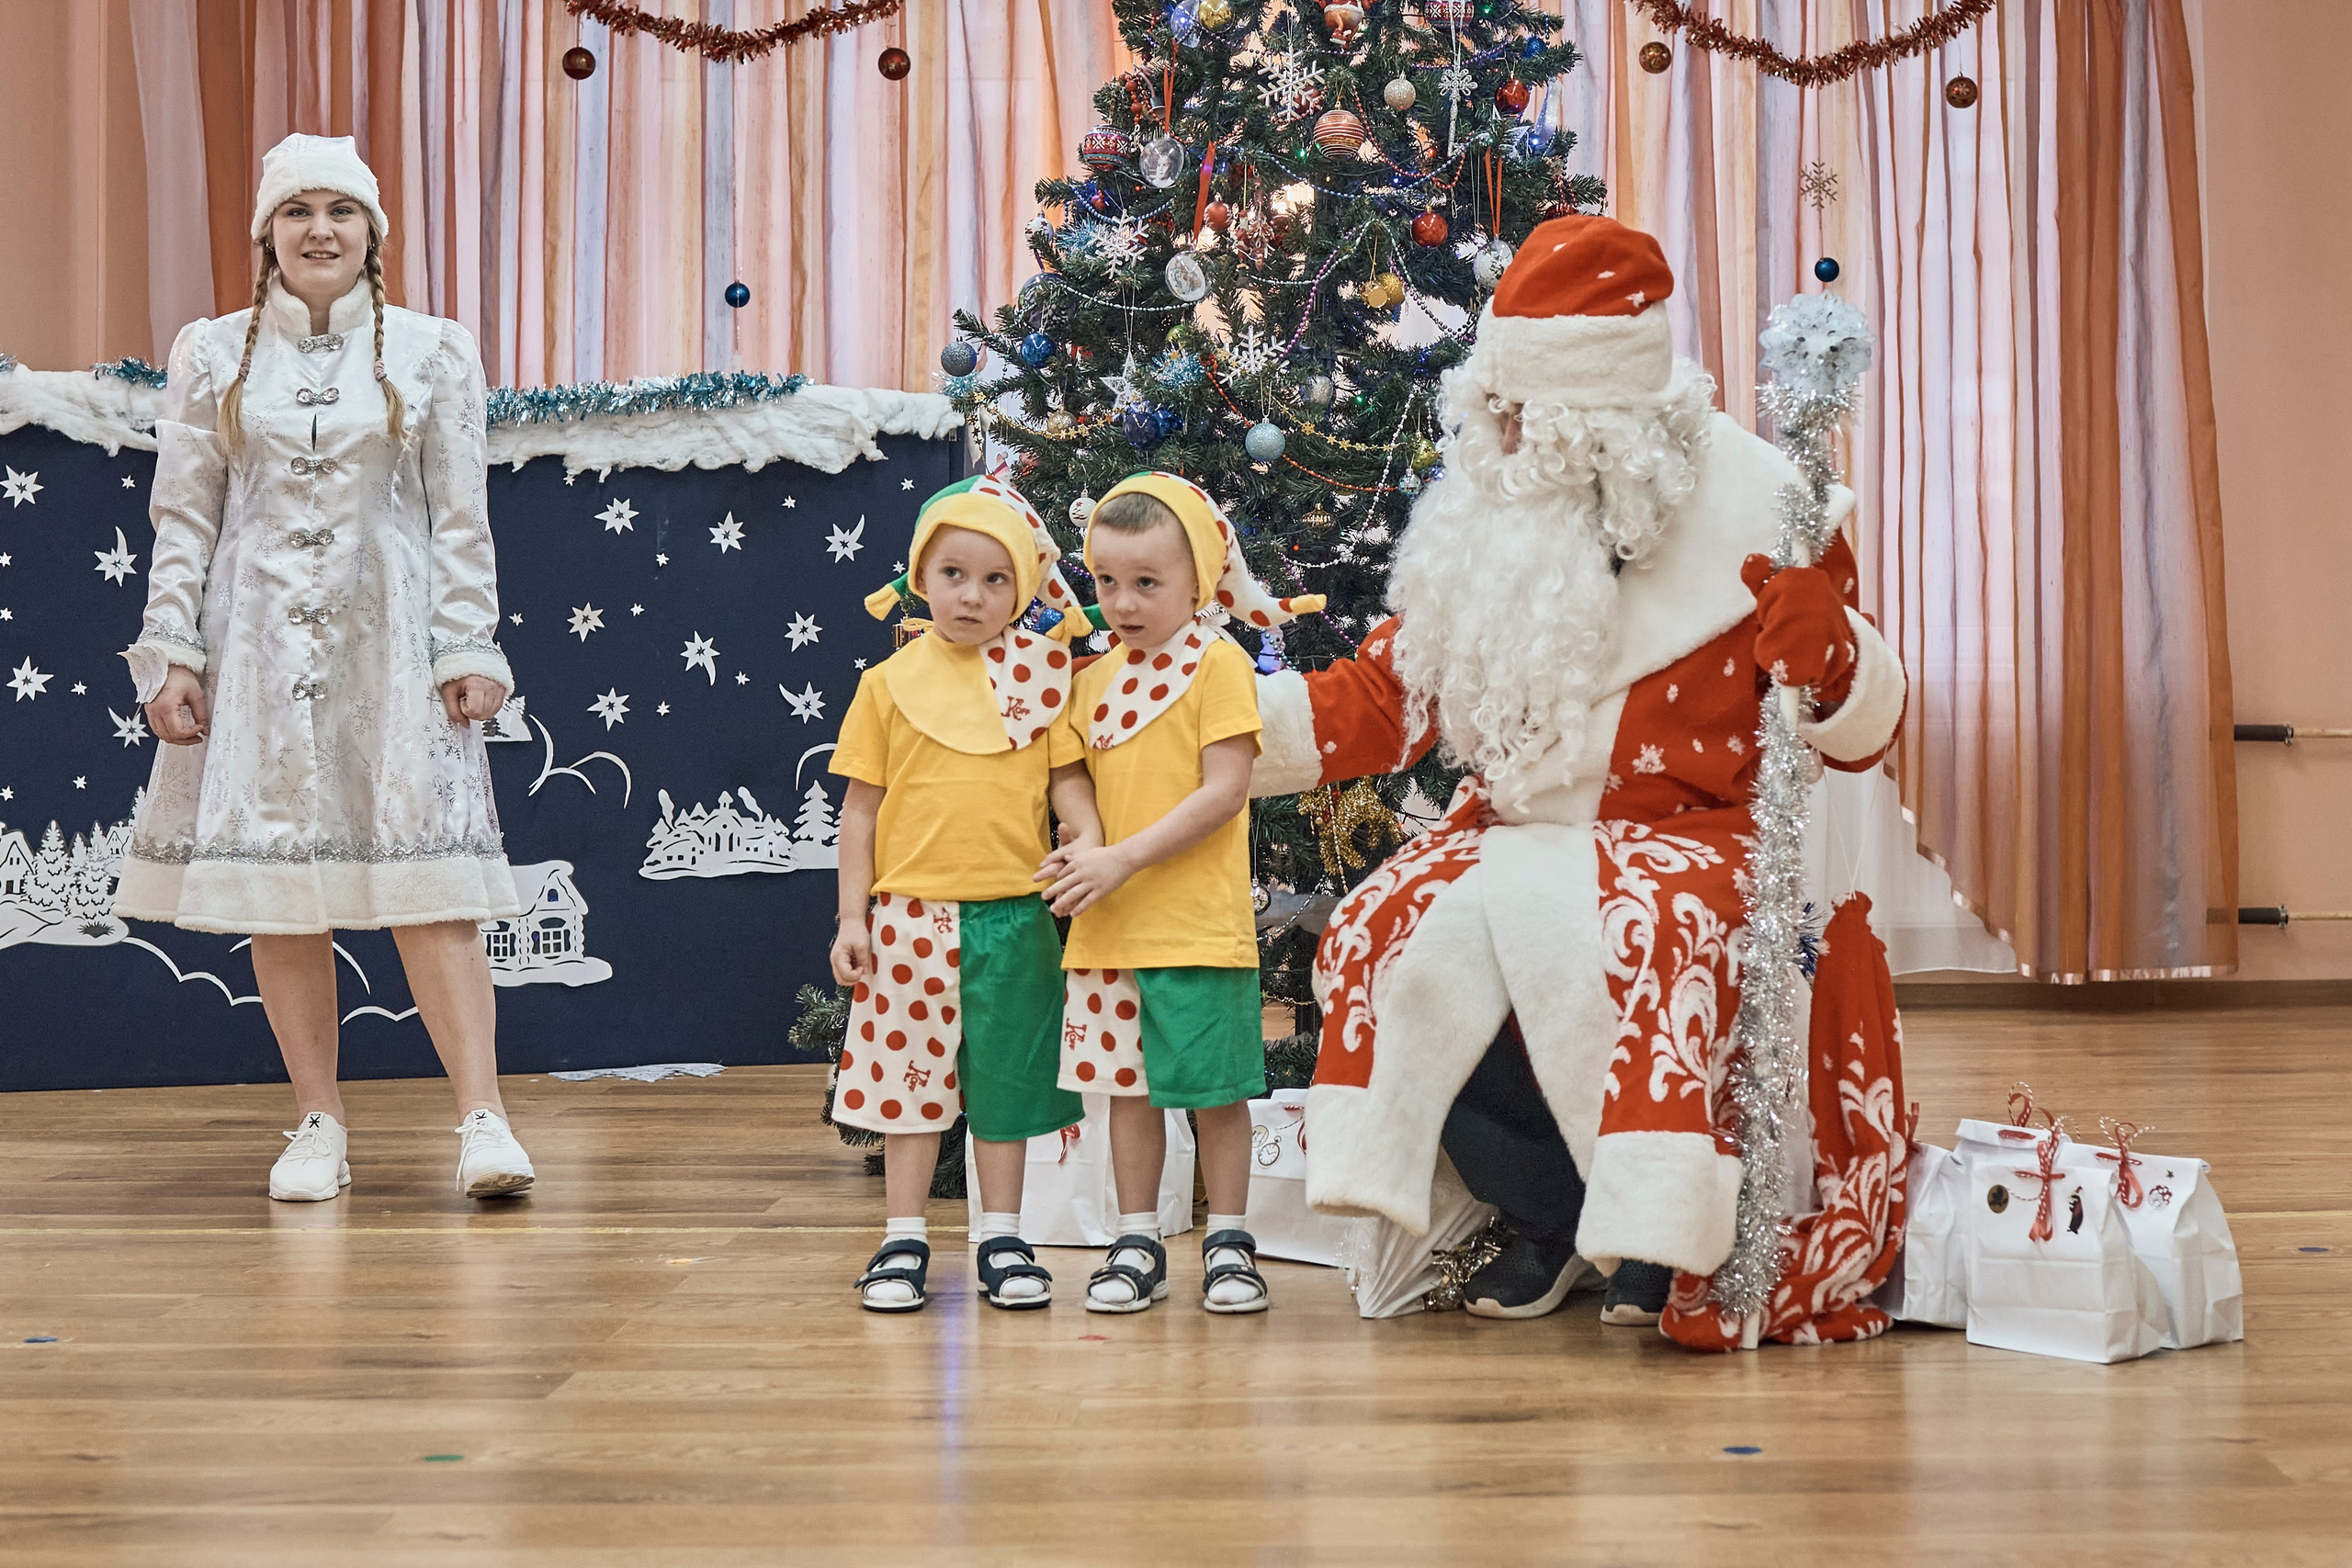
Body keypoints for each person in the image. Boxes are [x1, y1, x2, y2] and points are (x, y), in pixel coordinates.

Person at [1247, 216, 1913, 1348]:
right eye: (1493, 409)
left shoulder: (1768, 508)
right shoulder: (1490, 520)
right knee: (1377, 931)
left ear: (1601, 426)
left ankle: (1658, 1229)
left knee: (1635, 932)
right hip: (1512, 824)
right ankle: (1549, 1215)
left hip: (1695, 831)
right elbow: (1391, 696)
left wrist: (1834, 653)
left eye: (1520, 416)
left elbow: (1853, 738)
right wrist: (1217, 726)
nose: (1496, 433)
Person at [115, 134, 534, 1203]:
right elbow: (185, 512)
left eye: (339, 212)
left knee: (427, 885)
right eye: (296, 212)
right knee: (283, 894)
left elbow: (459, 516)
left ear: (371, 233)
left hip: (389, 644)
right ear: (268, 235)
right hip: (254, 646)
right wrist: (173, 650)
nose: (319, 231)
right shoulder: (214, 352)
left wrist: (467, 642)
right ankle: (317, 1122)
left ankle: (482, 1116)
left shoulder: (432, 350)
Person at [1039, 473, 1323, 1315]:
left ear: (1199, 582)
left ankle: (1230, 1237)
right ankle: (1137, 1237)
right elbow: (1067, 772)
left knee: (1214, 1091)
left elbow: (1223, 791)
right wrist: (1087, 838)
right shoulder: (1088, 682)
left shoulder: (1219, 665)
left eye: (1147, 584)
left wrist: (1120, 858)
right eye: (1106, 582)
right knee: (1125, 1093)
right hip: (1108, 927)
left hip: (1197, 927)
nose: (1122, 603)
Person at [828, 476, 1096, 1312]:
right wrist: (851, 915)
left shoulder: (1045, 679)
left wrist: (1085, 836)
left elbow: (1067, 781)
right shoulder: (886, 685)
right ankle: (903, 1235)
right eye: (953, 573)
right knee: (909, 1089)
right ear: (919, 576)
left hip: (1015, 918)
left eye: (995, 579)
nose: (972, 595)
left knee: (1008, 1087)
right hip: (907, 920)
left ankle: (1002, 1235)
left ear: (1022, 589)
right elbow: (859, 812)